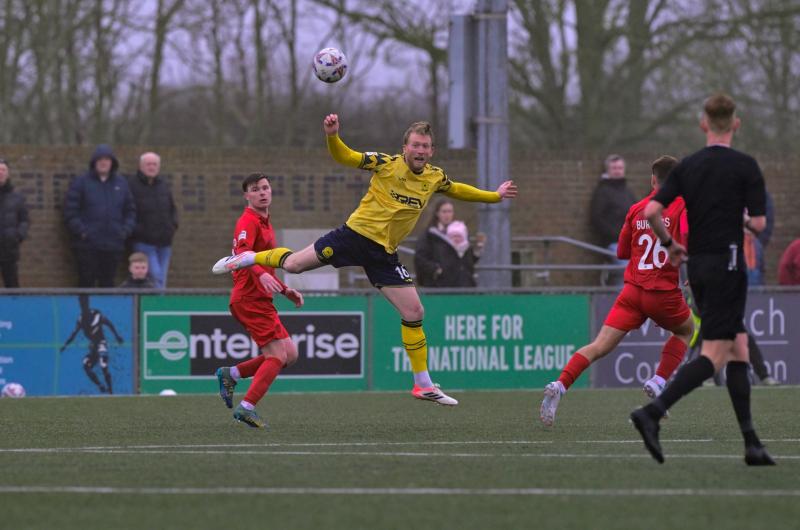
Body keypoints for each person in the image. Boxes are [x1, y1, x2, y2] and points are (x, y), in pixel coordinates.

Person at [213, 115, 517, 406]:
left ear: (431, 150)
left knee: (414, 310)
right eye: (415, 145)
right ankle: (248, 257)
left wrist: (494, 195)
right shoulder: (386, 164)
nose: (420, 150)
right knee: (293, 265)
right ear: (405, 147)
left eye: (425, 146)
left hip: (384, 254)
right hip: (353, 237)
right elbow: (346, 157)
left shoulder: (435, 178)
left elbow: (460, 190)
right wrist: (333, 136)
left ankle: (423, 384)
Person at [630, 93, 774, 466]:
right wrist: (740, 218)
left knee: (738, 346)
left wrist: (669, 244)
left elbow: (652, 210)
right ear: (736, 125)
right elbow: (758, 225)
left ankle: (751, 444)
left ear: (703, 124)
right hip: (728, 265)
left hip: (697, 268)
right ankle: (652, 412)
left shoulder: (688, 166)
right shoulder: (745, 166)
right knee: (715, 353)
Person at [540, 156, 694, 426]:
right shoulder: (682, 206)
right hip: (663, 292)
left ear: (652, 180)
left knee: (598, 346)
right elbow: (689, 240)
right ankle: (658, 381)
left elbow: (622, 251)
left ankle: (559, 386)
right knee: (685, 330)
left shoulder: (636, 209)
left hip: (632, 292)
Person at [215, 173, 304, 428]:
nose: (263, 192)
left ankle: (230, 374)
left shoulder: (265, 221)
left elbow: (265, 263)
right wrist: (259, 275)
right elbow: (244, 253)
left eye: (265, 188)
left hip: (261, 297)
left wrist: (285, 289)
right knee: (276, 355)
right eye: (256, 189)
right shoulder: (248, 220)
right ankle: (246, 407)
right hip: (249, 298)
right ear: (247, 196)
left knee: (290, 354)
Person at [64, 145, 136, 287]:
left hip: (113, 245)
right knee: (86, 282)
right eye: (100, 160)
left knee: (108, 284)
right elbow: (70, 211)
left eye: (107, 160)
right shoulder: (81, 182)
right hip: (87, 246)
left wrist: (124, 231)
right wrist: (82, 232)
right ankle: (85, 310)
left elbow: (130, 211)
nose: (103, 163)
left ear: (112, 163)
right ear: (94, 162)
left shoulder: (121, 184)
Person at [127, 152, 178, 289]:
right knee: (155, 276)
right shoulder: (132, 185)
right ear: (141, 166)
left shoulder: (163, 185)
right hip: (144, 242)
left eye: (155, 164)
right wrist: (136, 230)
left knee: (162, 278)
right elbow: (127, 210)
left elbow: (172, 208)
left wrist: (172, 226)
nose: (152, 167)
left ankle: (158, 307)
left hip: (164, 241)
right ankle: (153, 307)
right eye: (148, 164)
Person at [59, 294, 124, 394]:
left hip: (101, 344)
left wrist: (117, 336)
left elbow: (108, 323)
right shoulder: (81, 319)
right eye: (81, 303)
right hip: (93, 347)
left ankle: (111, 392)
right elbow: (74, 334)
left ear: (88, 303)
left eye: (85, 302)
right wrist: (64, 346)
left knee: (103, 365)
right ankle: (100, 385)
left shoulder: (96, 314)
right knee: (86, 365)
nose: (83, 305)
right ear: (80, 304)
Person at [590, 154, 636, 285]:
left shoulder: (627, 192)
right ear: (608, 170)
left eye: (620, 167)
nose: (617, 170)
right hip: (614, 243)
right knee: (626, 270)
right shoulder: (602, 192)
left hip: (633, 242)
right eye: (614, 168)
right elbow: (597, 218)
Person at [0, 159, 29, 287]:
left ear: (8, 173)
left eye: (3, 170)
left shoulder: (17, 197)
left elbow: (24, 220)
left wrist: (18, 236)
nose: (0, 173)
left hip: (9, 249)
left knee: (12, 286)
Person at [413, 199, 454, 286]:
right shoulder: (429, 235)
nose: (447, 215)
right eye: (444, 211)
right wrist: (437, 270)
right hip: (436, 284)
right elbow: (420, 258)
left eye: (450, 211)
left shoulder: (459, 234)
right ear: (437, 213)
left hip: (458, 285)